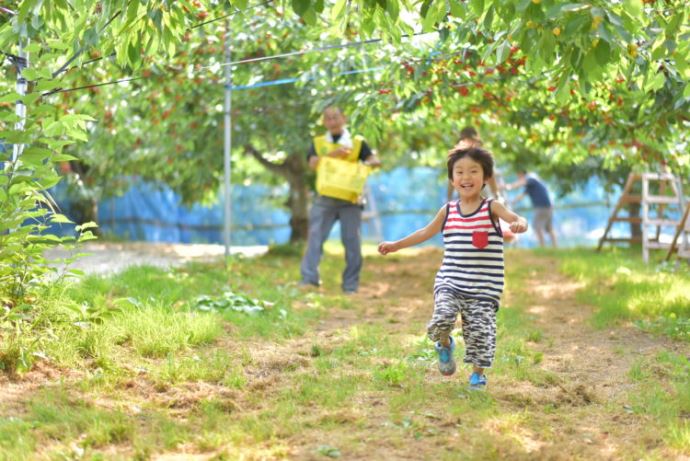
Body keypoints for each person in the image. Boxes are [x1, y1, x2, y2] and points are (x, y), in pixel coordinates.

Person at [378, 146, 528, 390]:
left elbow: (515, 218)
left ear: (486, 178)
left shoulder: (492, 207)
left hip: (483, 287)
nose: (466, 177)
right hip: (451, 281)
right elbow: (425, 232)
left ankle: (477, 375)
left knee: (480, 332)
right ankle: (445, 345)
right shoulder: (448, 210)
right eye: (459, 172)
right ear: (452, 179)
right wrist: (397, 245)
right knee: (442, 319)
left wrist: (520, 223)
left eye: (473, 171)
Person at [300, 106, 381, 294]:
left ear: (344, 118)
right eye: (328, 118)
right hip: (325, 198)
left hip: (350, 200)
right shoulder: (318, 142)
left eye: (336, 117)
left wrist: (365, 164)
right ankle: (309, 280)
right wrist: (333, 156)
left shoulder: (358, 143)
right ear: (323, 122)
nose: (332, 121)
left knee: (352, 241)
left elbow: (374, 161)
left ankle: (350, 286)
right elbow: (312, 164)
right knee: (315, 238)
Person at [505, 171, 558, 248]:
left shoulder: (531, 177)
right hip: (548, 206)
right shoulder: (531, 184)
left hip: (541, 207)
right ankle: (555, 247)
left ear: (521, 174)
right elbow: (522, 195)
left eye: (518, 176)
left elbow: (521, 183)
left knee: (537, 227)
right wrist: (512, 202)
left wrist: (508, 186)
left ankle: (543, 247)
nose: (518, 178)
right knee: (549, 228)